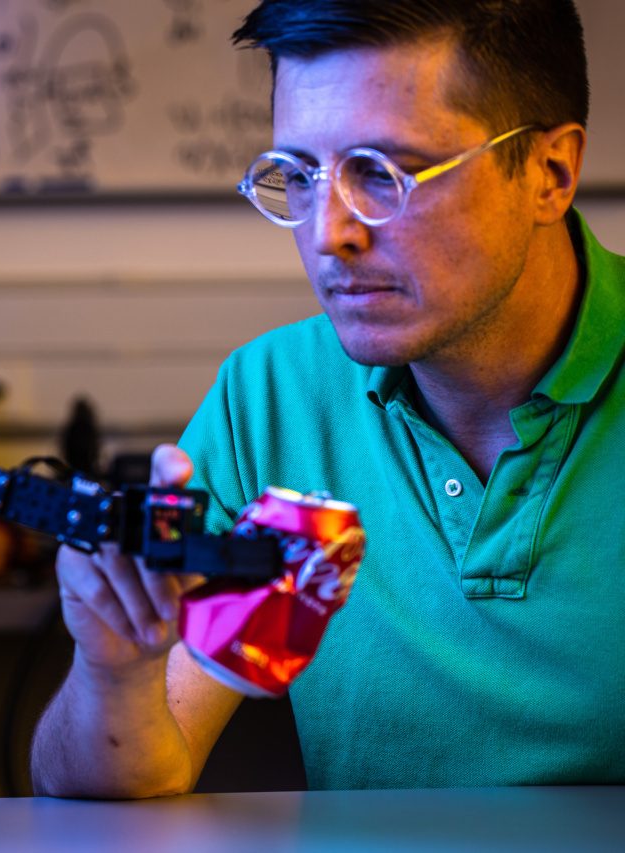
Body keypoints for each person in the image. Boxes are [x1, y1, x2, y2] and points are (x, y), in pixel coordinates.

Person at [32, 0, 625, 796]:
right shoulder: (270, 396)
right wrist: (115, 673)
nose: (327, 233)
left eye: (383, 173)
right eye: (301, 176)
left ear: (549, 173)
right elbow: (129, 775)